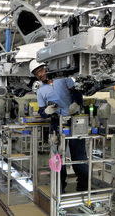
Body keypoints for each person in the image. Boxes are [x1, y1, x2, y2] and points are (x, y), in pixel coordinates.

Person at [29, 60, 88, 192]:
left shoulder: (64, 79)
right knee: (57, 157)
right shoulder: (40, 91)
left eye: (40, 71)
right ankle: (60, 187)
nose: (39, 75)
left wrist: (77, 104)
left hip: (74, 120)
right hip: (56, 123)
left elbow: (77, 92)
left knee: (79, 155)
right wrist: (47, 111)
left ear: (46, 68)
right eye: (36, 74)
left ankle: (83, 187)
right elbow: (42, 112)